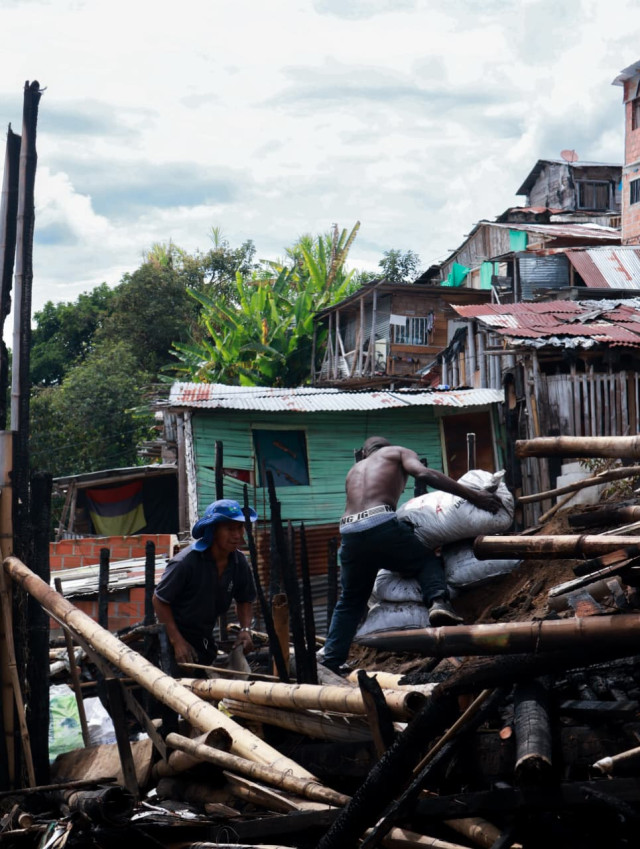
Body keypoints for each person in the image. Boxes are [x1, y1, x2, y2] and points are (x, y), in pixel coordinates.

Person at [321, 436, 502, 674]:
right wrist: (474, 496)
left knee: (350, 601)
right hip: (380, 522)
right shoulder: (398, 451)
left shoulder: (354, 470)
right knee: (425, 561)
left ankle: (331, 660)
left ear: (365, 453)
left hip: (349, 531)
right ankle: (438, 602)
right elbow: (424, 474)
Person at [153, 498, 258, 670]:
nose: (238, 535)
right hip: (170, 637)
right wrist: (177, 642)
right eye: (230, 529)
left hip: (203, 637)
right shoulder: (186, 563)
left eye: (240, 527)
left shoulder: (239, 562)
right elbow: (159, 600)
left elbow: (245, 599)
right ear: (213, 531)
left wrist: (245, 629)